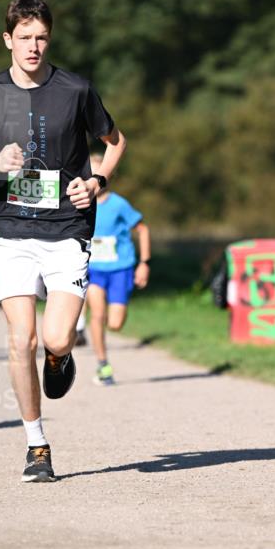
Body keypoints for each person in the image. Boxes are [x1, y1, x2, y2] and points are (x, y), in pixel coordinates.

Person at [0, 0, 126, 481]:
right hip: (14, 231)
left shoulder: (76, 89)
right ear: (7, 40)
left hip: (68, 229)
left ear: (50, 38)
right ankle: (37, 446)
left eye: (41, 37)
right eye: (23, 37)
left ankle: (59, 356)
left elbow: (115, 143)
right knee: (20, 339)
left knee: (55, 336)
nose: (33, 46)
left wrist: (96, 182)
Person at [80, 161, 151, 384]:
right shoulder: (81, 203)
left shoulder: (119, 204)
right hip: (94, 270)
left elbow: (142, 229)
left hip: (120, 269)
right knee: (98, 314)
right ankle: (103, 365)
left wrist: (144, 263)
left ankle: (104, 324)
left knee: (115, 324)